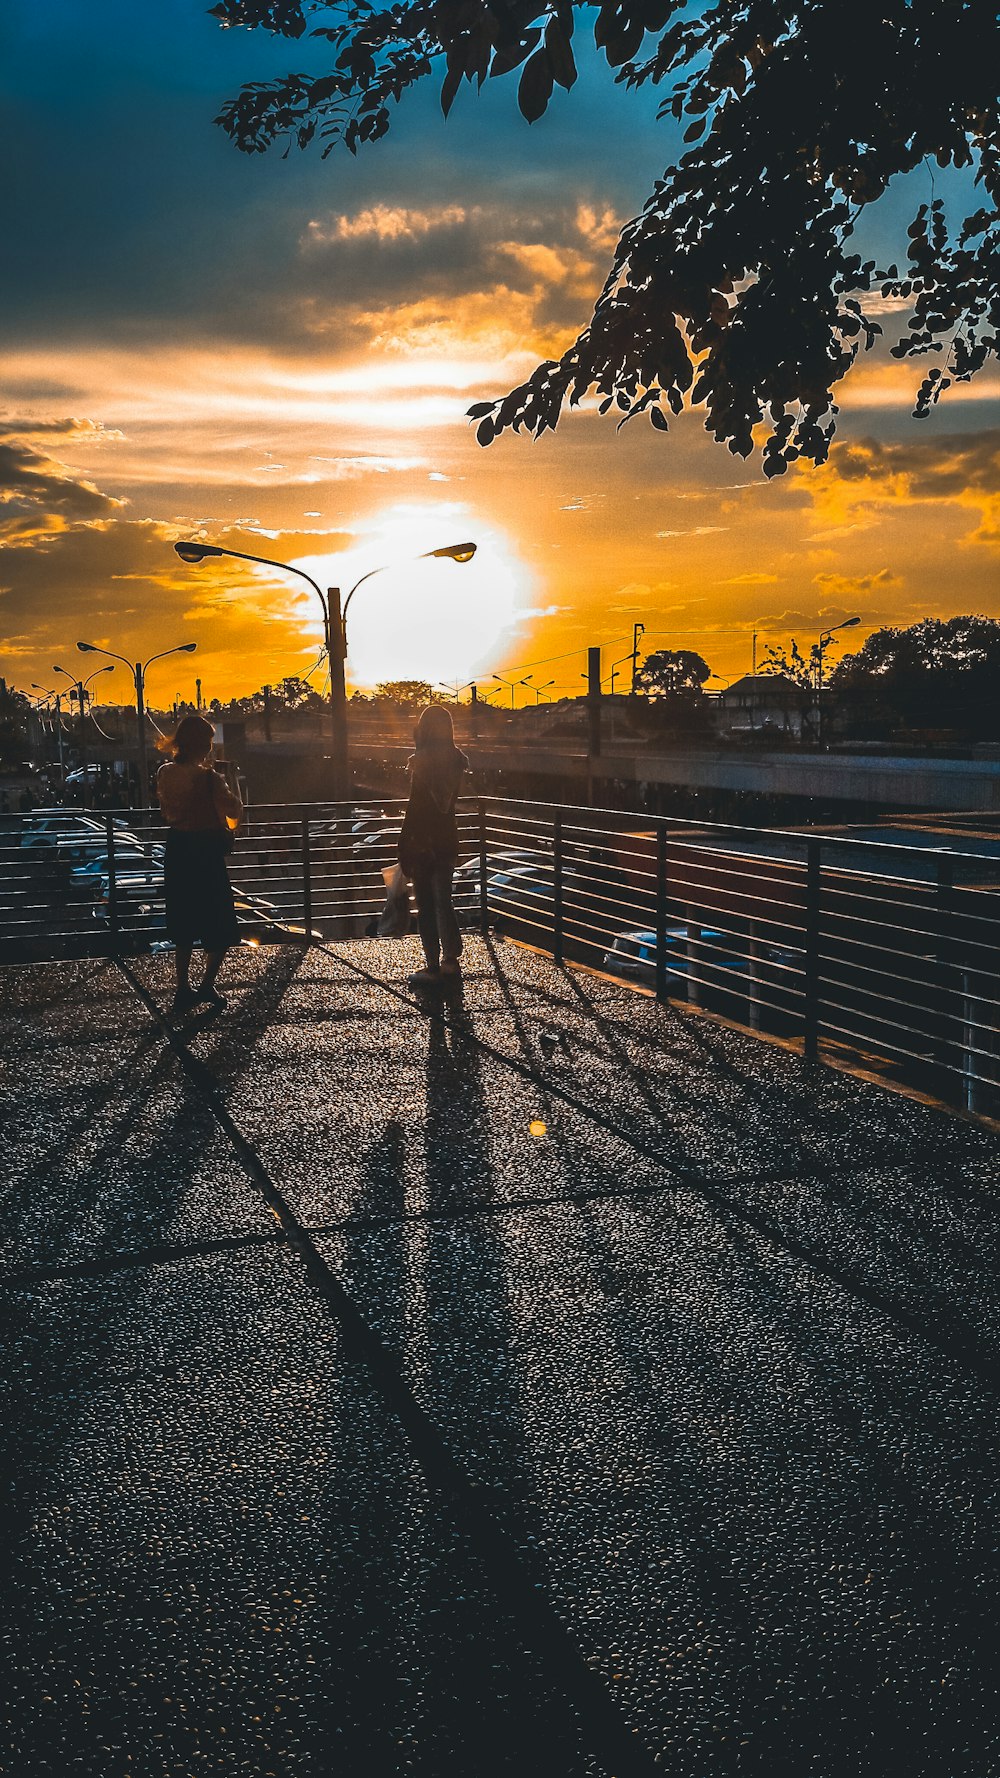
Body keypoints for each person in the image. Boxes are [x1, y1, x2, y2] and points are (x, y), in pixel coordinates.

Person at [156, 714, 243, 1014]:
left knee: (183, 919)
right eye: (207, 742)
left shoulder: (164, 773)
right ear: (200, 744)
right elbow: (234, 811)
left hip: (178, 849)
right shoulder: (210, 779)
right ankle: (207, 984)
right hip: (205, 852)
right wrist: (228, 783)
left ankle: (182, 988)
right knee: (219, 919)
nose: (209, 748)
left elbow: (165, 809)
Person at [397, 704, 468, 988]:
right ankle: (451, 960)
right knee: (444, 901)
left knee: (426, 905)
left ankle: (432, 965)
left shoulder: (421, 760)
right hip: (447, 840)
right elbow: (446, 806)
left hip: (423, 842)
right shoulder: (457, 760)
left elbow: (416, 808)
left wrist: (404, 842)